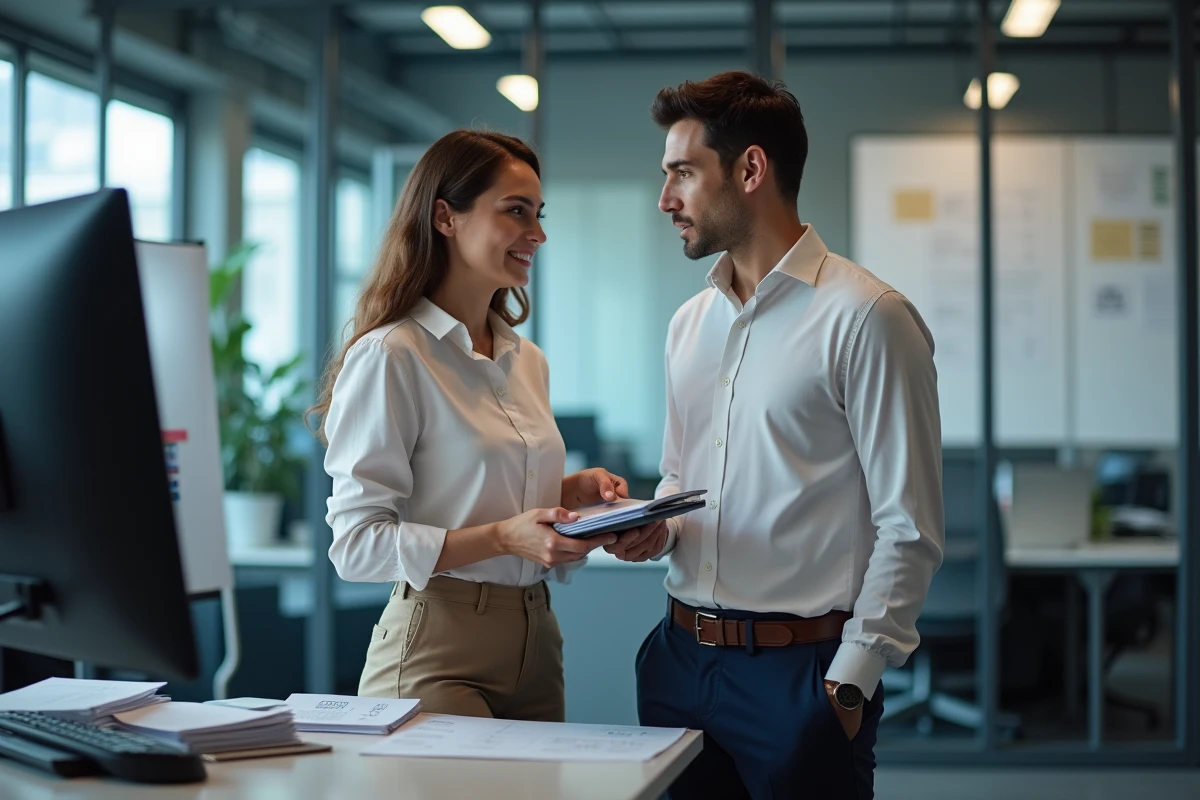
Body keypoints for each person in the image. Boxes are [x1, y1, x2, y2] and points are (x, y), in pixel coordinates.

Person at [605, 72, 945, 798]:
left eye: (683, 174)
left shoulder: (869, 317)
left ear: (750, 169)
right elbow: (680, 481)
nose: (666, 200)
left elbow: (909, 527)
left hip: (802, 678)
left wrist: (850, 685)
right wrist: (655, 529)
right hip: (678, 663)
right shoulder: (688, 326)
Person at [310, 130, 637, 721]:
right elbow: (356, 547)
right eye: (516, 212)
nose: (536, 234)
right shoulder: (393, 354)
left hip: (537, 640)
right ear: (445, 217)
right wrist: (504, 538)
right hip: (438, 643)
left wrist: (570, 494)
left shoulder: (526, 359)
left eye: (539, 216)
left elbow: (473, 496)